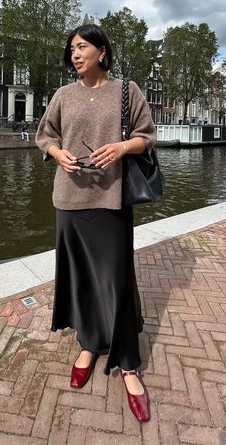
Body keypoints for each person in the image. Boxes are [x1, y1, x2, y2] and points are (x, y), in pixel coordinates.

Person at [35, 24, 156, 423]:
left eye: (82, 46)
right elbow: (44, 135)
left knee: (116, 280)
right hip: (68, 201)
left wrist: (122, 146)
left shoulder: (127, 90)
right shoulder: (62, 95)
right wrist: (57, 152)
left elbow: (147, 137)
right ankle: (88, 343)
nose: (75, 54)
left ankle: (128, 363)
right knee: (81, 277)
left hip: (111, 199)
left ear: (102, 51)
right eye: (71, 48)